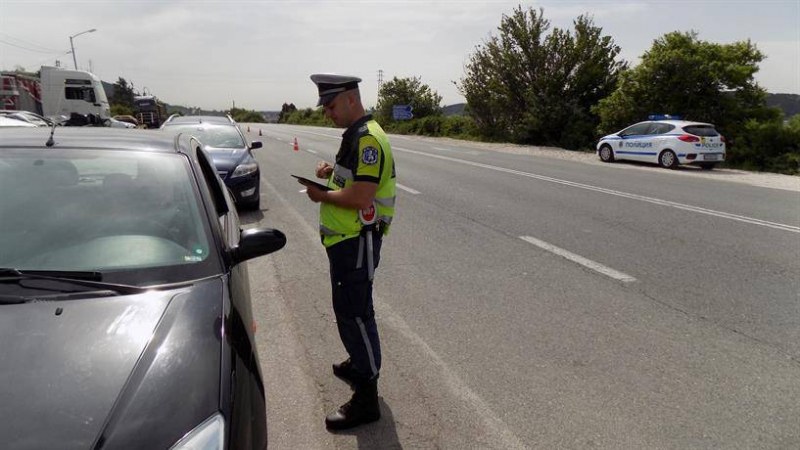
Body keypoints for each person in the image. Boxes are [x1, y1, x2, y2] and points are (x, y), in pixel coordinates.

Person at [302, 73, 396, 430]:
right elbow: (353, 180)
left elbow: (361, 197)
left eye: (330, 105)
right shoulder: (355, 136)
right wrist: (330, 173)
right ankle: (360, 365)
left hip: (358, 240)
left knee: (354, 313)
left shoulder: (368, 139)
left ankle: (366, 397)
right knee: (352, 309)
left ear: (351, 100)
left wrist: (321, 194)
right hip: (347, 241)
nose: (327, 112)